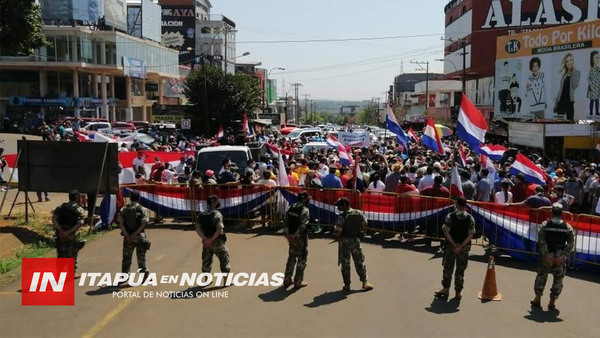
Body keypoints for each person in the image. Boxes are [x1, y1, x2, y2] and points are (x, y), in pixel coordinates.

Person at [531, 203, 575, 309]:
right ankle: (552, 301)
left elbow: (541, 241)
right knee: (558, 279)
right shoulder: (567, 226)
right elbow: (571, 243)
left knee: (542, 276)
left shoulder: (545, 224)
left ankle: (537, 298)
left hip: (547, 256)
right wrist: (564, 256)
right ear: (562, 214)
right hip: (560, 256)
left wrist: (546, 254)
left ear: (552, 212)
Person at [435, 197, 475, 299]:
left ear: (456, 204)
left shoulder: (450, 216)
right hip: (464, 247)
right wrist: (461, 246)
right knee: (460, 270)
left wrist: (453, 244)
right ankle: (458, 292)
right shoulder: (470, 218)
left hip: (450, 246)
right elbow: (471, 234)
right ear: (465, 205)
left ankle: (445, 289)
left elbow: (446, 231)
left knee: (448, 268)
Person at [334, 197, 374, 292]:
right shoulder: (358, 213)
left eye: (339, 206)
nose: (338, 207)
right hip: (356, 240)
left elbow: (338, 232)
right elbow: (365, 223)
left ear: (345, 206)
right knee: (359, 261)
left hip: (344, 242)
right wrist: (362, 233)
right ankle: (365, 282)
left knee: (345, 264)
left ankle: (347, 284)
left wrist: (337, 235)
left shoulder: (341, 217)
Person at [118, 191, 150, 276]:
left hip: (127, 237)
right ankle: (144, 274)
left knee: (126, 257)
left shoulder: (124, 209)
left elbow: (120, 223)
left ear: (130, 198)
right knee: (141, 257)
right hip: (139, 236)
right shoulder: (142, 209)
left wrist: (127, 236)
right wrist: (135, 235)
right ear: (139, 198)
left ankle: (125, 275)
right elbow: (144, 224)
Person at [283, 191, 310, 290]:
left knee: (291, 258)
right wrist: (296, 235)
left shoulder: (291, 207)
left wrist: (288, 235)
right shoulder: (304, 210)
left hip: (291, 237)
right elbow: (303, 224)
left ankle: (287, 280)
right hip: (300, 238)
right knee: (302, 259)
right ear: (305, 199)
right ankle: (298, 282)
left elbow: (285, 221)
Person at [196, 195, 230, 274]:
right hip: (217, 241)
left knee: (206, 260)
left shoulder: (201, 214)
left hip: (206, 241)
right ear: (214, 203)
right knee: (224, 258)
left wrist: (206, 239)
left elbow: (197, 229)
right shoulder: (217, 214)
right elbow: (219, 229)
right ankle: (226, 280)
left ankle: (207, 279)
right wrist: (211, 240)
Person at [52, 190, 86, 270]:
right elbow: (80, 223)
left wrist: (61, 231)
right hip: (72, 235)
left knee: (61, 253)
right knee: (72, 253)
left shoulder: (60, 207)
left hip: (60, 235)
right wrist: (68, 232)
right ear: (77, 198)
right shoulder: (79, 209)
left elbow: (54, 220)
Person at [553, 53, 580, 121]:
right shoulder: (563, 75)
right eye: (567, 61)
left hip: (570, 102)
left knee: (570, 122)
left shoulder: (577, 73)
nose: (569, 63)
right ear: (565, 63)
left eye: (570, 60)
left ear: (573, 61)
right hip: (561, 102)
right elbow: (560, 90)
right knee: (559, 123)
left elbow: (575, 85)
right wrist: (556, 103)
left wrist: (572, 71)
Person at [588, 50, 600, 116]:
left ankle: (597, 112)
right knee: (592, 100)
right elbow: (588, 78)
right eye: (596, 57)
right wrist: (591, 85)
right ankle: (591, 112)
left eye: (598, 57)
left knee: (597, 100)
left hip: (598, 87)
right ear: (592, 59)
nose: (598, 59)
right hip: (593, 88)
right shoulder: (591, 69)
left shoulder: (599, 69)